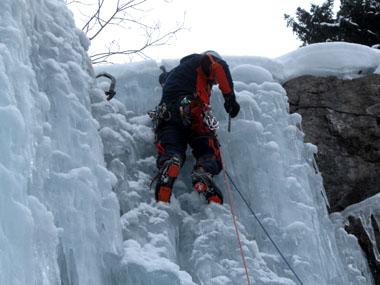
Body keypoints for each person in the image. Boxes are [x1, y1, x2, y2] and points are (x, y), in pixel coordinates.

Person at [152, 51, 240, 204]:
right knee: (206, 145)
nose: (213, 83)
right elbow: (219, 66)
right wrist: (229, 98)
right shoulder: (202, 60)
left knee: (171, 142)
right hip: (192, 107)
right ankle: (203, 171)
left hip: (167, 113)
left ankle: (170, 162)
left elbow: (163, 79)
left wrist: (164, 74)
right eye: (213, 82)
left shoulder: (176, 72)